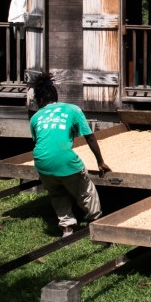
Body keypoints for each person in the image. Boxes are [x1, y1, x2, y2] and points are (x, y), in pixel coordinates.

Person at [29, 73, 111, 237]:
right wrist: (100, 161)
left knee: (57, 192)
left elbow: (42, 142)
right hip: (66, 161)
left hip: (42, 163)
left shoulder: (35, 117)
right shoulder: (72, 109)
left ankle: (67, 228)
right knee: (86, 192)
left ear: (39, 100)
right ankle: (96, 223)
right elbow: (89, 137)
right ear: (56, 96)